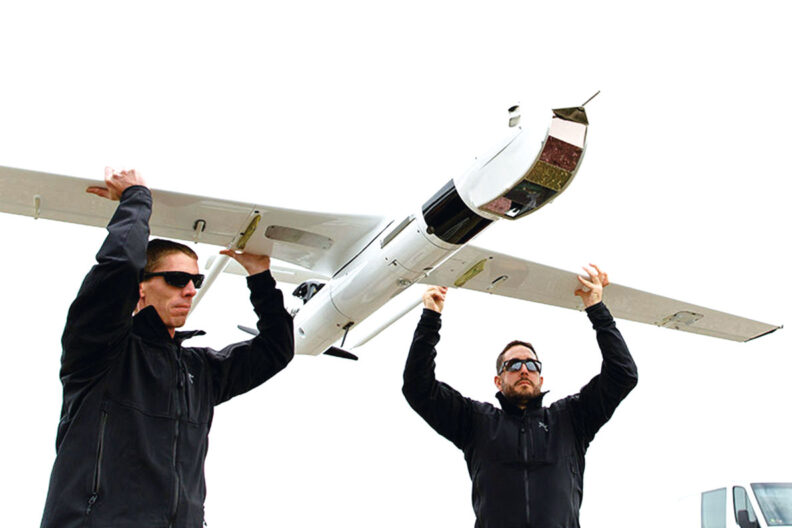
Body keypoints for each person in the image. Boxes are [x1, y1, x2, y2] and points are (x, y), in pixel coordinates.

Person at [40, 168, 294, 527]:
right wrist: (137, 199)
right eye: (176, 280)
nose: (190, 290)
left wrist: (260, 277)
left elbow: (276, 350)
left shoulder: (200, 370)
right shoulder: (100, 347)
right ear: (140, 287)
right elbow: (119, 266)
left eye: (195, 280)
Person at [402, 265, 638, 528]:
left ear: (541, 377)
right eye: (513, 365)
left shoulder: (571, 419)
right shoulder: (476, 422)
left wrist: (597, 310)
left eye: (532, 365)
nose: (524, 369)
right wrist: (430, 318)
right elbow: (417, 387)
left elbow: (623, 375)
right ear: (498, 380)